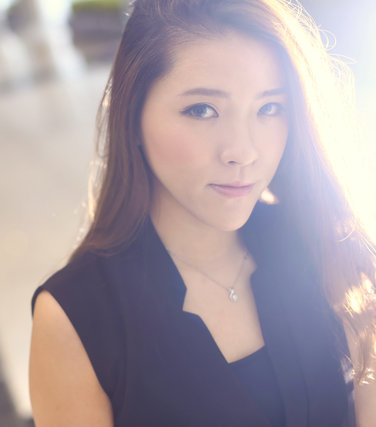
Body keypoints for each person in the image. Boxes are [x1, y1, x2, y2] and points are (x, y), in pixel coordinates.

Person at [28, 0, 376, 425]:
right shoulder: (77, 318)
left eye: (269, 108)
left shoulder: (326, 241)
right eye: (202, 110)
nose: (243, 151)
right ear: (132, 116)